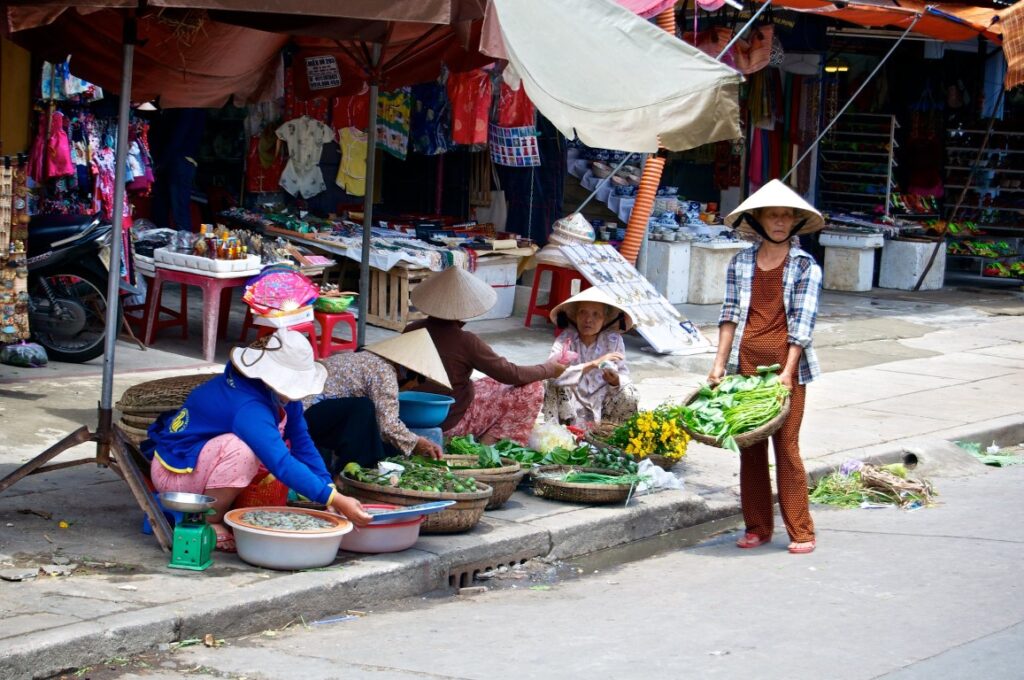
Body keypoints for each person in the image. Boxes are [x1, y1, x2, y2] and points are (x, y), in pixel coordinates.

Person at [145, 329, 373, 552]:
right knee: (243, 451)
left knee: (274, 450)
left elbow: (302, 443)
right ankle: (211, 517)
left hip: (205, 464)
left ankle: (222, 508)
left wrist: (328, 488)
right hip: (177, 474)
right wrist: (337, 499)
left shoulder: (281, 397)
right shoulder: (247, 407)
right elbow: (281, 463)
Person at [709, 179, 823, 555]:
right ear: (757, 219)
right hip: (746, 366)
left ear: (795, 222)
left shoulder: (806, 267)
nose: (779, 221)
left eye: (786, 215)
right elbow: (729, 316)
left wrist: (788, 372)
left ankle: (801, 531)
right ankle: (758, 526)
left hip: (787, 371)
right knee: (750, 449)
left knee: (787, 448)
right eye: (772, 214)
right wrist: (719, 365)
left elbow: (802, 327)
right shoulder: (740, 262)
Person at [405, 266, 566, 445]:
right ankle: (490, 444)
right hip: (450, 423)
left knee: (490, 383)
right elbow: (512, 374)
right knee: (532, 388)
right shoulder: (465, 341)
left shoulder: (411, 329)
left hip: (412, 414)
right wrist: (549, 369)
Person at [303, 329, 452, 474]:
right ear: (409, 374)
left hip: (316, 412)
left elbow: (383, 425)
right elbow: (388, 426)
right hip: (306, 413)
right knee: (363, 407)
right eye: (413, 384)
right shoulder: (384, 372)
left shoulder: (371, 360)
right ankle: (346, 476)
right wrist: (416, 442)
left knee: (375, 427)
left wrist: (414, 441)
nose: (407, 389)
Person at [542, 287, 639, 427]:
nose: (588, 319)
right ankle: (558, 431)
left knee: (629, 393)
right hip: (572, 400)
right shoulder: (566, 339)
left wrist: (615, 381)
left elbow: (624, 375)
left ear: (604, 320)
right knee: (550, 382)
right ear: (575, 316)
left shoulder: (614, 340)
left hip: (602, 400)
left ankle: (612, 434)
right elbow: (551, 372)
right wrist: (593, 364)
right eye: (583, 313)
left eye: (596, 315)